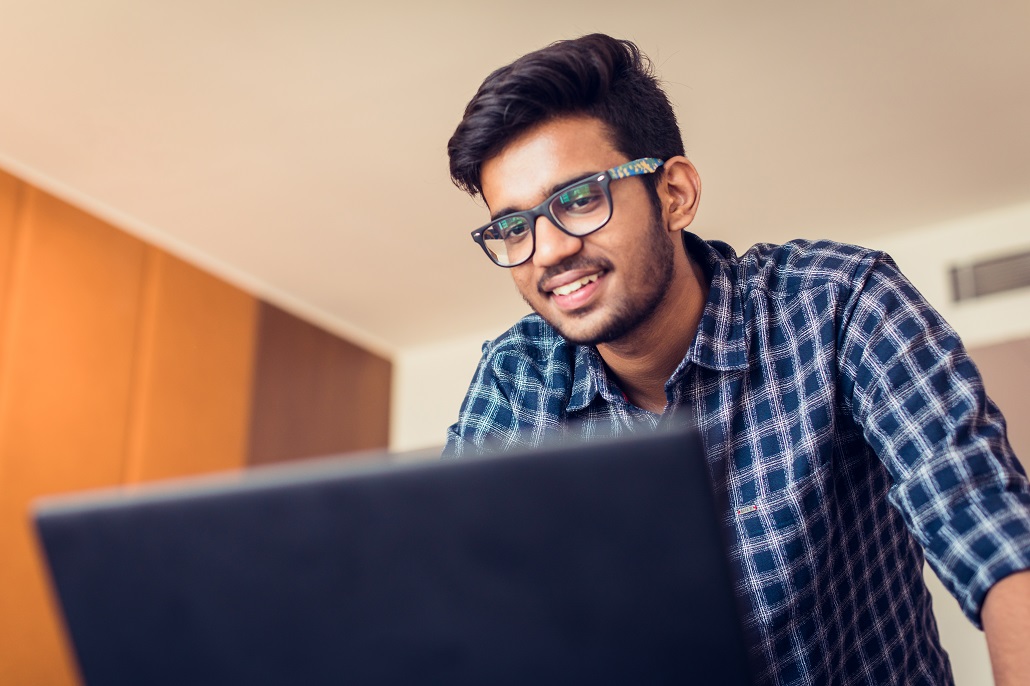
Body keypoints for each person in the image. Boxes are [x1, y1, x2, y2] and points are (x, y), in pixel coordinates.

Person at [441, 33, 1030, 684]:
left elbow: (999, 541)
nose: (546, 251)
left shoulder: (836, 303)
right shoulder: (516, 379)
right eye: (514, 227)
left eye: (578, 200)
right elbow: (462, 621)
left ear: (674, 194)